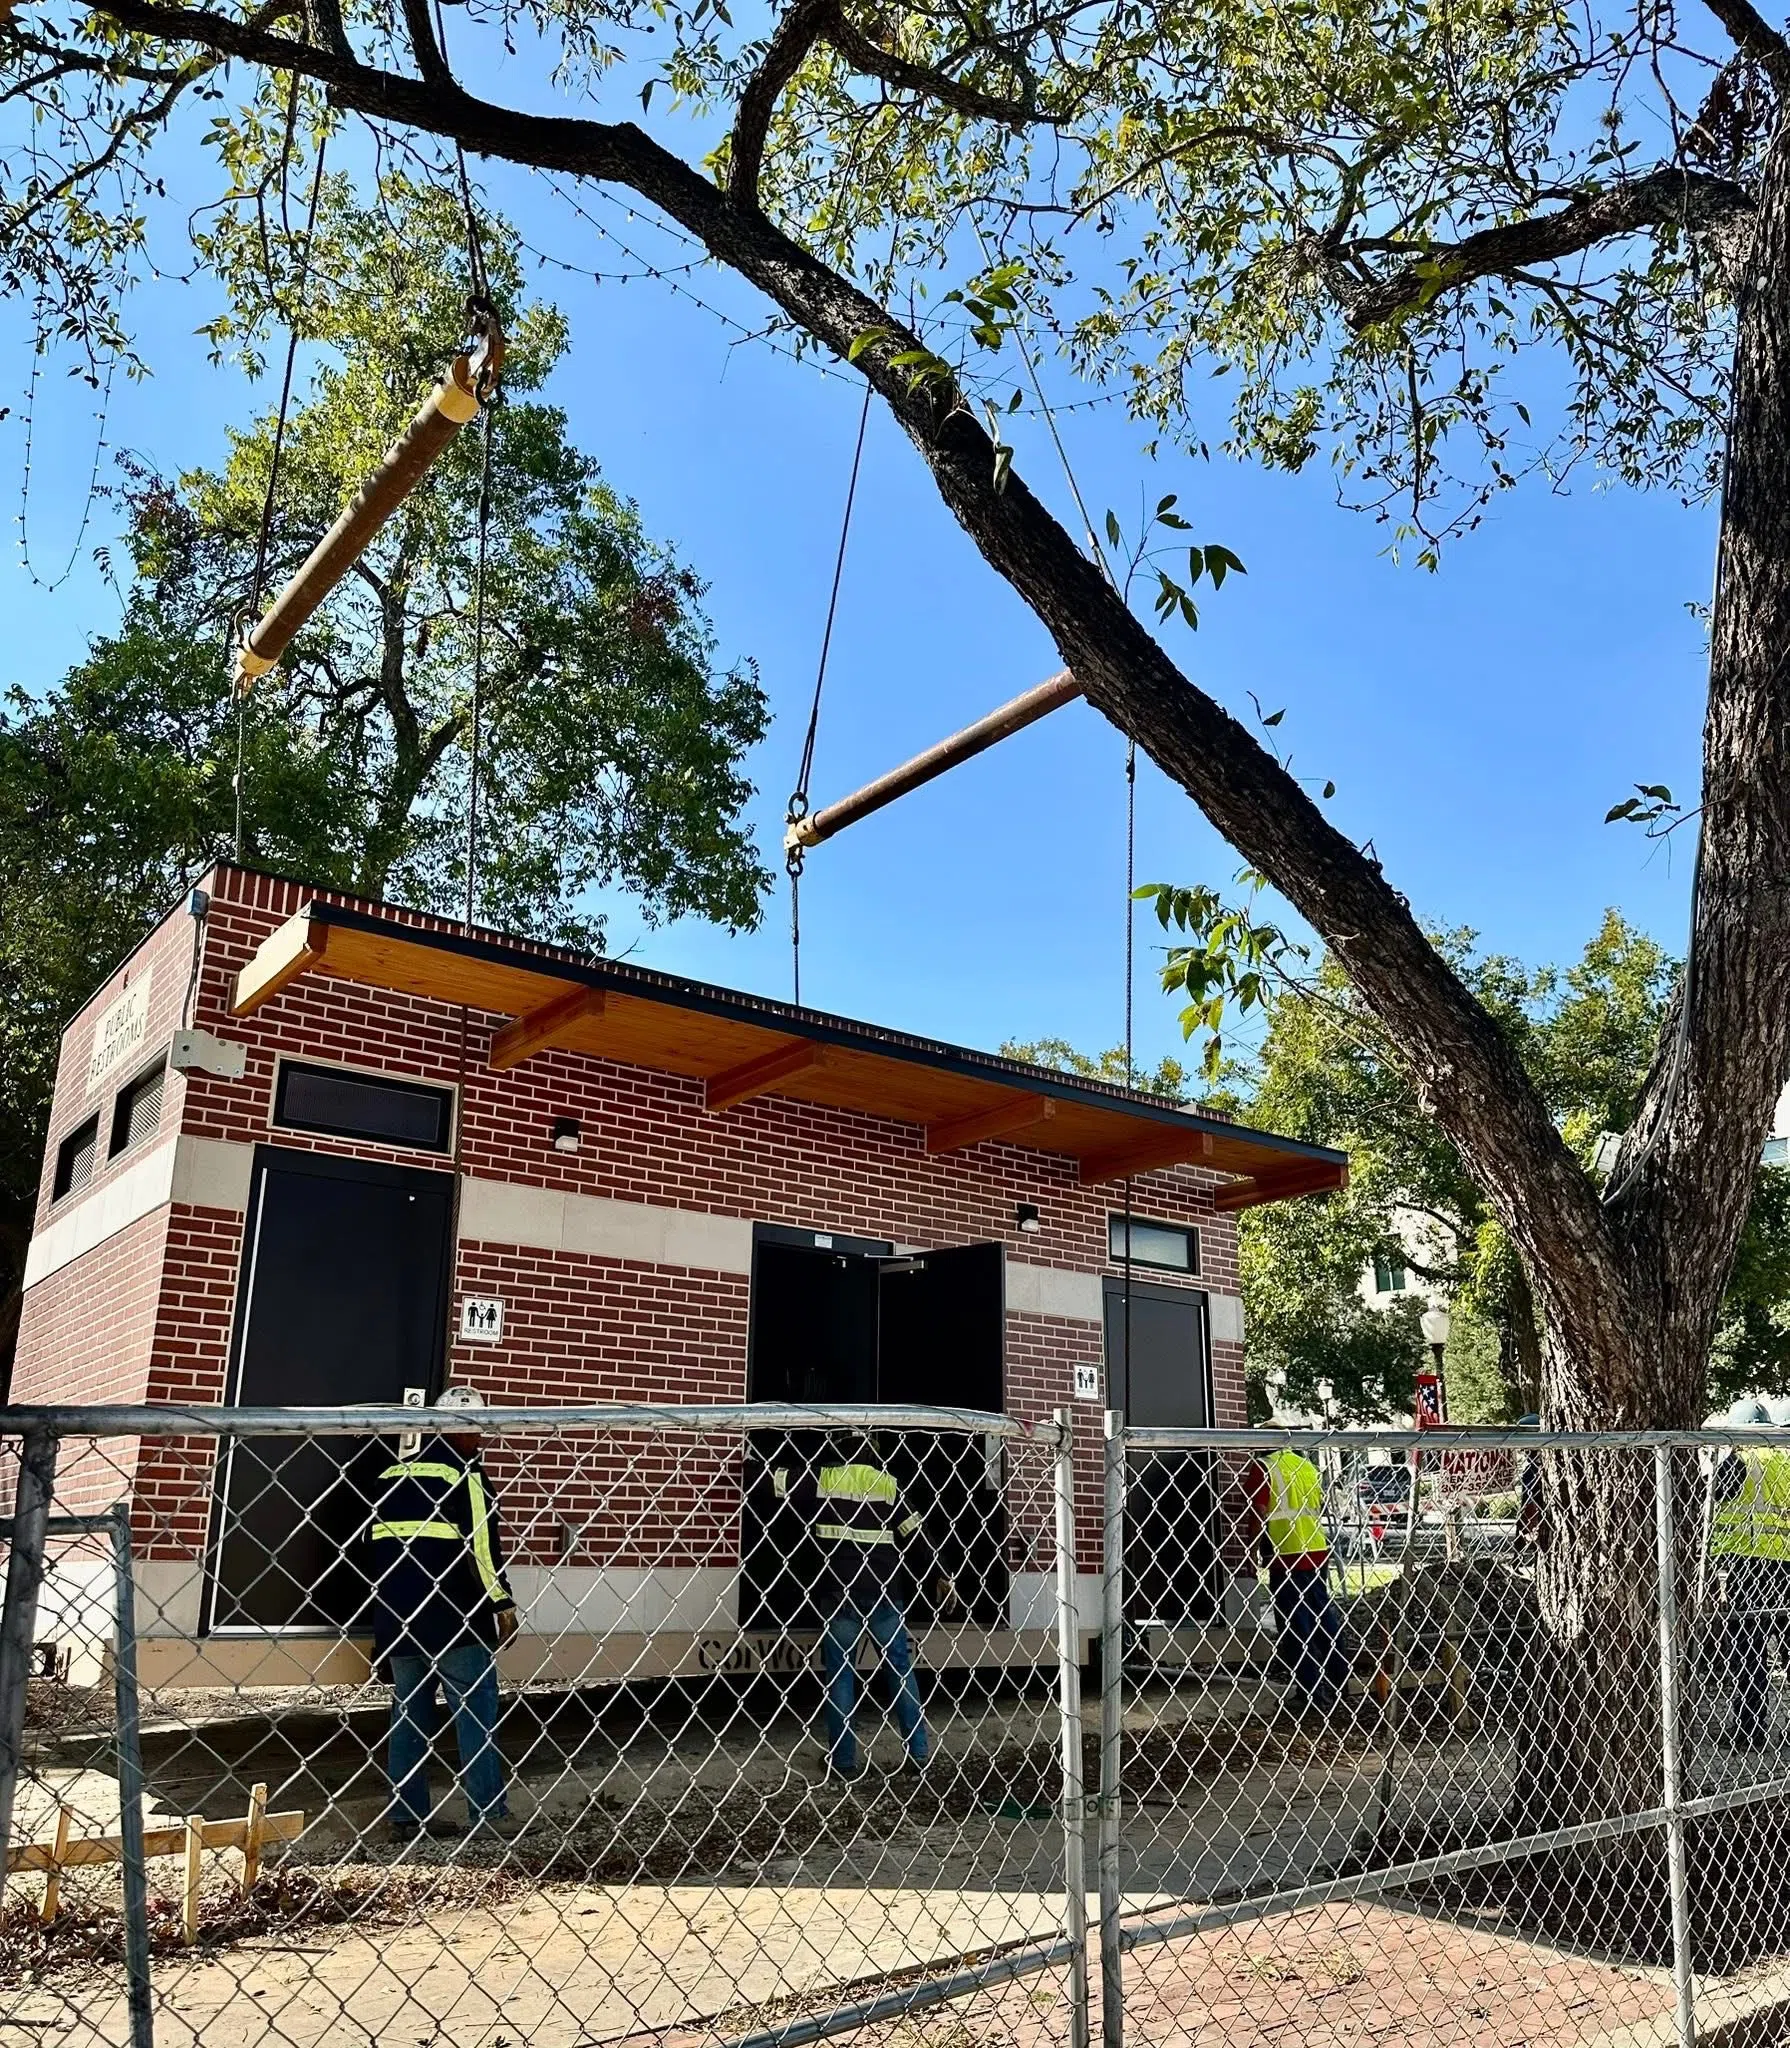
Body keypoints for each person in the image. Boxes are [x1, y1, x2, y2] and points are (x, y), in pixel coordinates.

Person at [362, 1384, 520, 1840]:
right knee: (475, 1712)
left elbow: (372, 1549)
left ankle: (406, 1818)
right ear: (458, 1428)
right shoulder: (465, 1473)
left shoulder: (390, 1474)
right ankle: (489, 1815)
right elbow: (483, 1549)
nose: (482, 1437)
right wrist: (502, 1604)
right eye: (476, 1428)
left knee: (409, 1713)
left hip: (398, 1619)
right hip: (456, 1618)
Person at [775, 1435, 939, 1781]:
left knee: (840, 1675)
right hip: (883, 1591)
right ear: (874, 1454)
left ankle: (844, 1762)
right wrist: (941, 1574)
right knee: (899, 1669)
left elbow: (776, 1482)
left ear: (839, 1452)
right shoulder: (887, 1484)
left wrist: (746, 1459)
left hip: (839, 1592)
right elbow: (916, 1533)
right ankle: (919, 1754)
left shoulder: (825, 1479)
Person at [1245, 1441, 1352, 1717]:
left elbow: (1258, 1513)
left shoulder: (1263, 1467)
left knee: (1296, 1627)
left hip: (1286, 1555)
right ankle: (1339, 1683)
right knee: (1324, 1619)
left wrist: (1251, 1552)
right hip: (1316, 1551)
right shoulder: (1307, 1466)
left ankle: (1311, 1694)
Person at [1710, 1396, 1790, 1751]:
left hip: (1749, 1568)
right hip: (1786, 1565)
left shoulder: (1736, 1461)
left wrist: (1714, 1565)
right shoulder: (1787, 1459)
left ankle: (1749, 1730)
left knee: (1748, 1654)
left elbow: (1714, 1512)